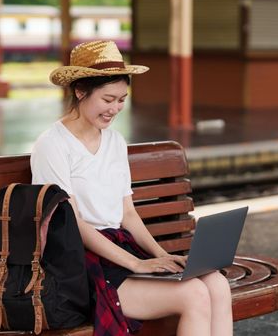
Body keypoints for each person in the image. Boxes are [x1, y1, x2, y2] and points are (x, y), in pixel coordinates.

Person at [30, 40, 232, 336]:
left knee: (216, 283)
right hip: (82, 262)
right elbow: (72, 223)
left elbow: (128, 214)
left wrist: (162, 256)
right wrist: (136, 264)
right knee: (194, 295)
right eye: (108, 99)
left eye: (122, 99)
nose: (115, 109)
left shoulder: (114, 141)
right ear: (80, 91)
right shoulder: (52, 145)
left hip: (122, 249)